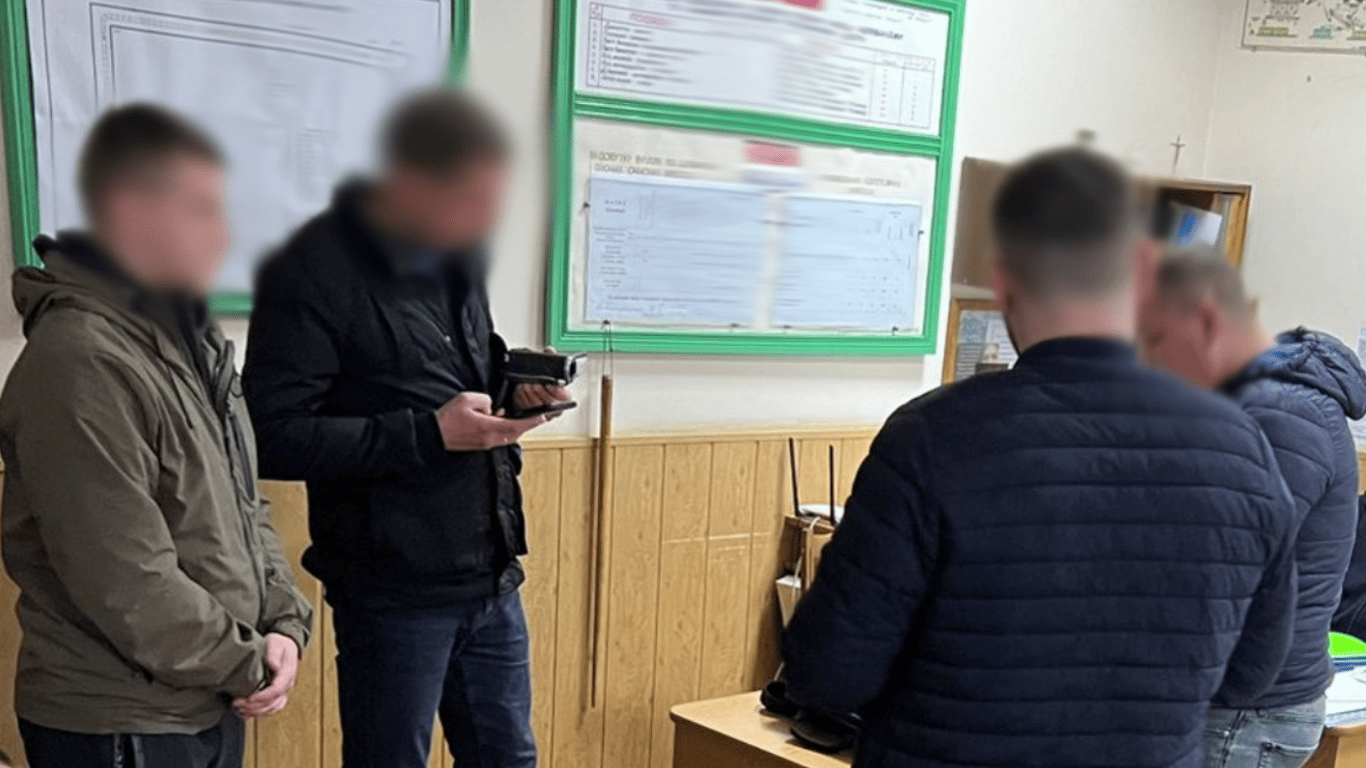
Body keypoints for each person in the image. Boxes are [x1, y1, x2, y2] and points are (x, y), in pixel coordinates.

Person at [782, 147, 1298, 768]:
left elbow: (828, 674)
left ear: (1005, 283)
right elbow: (1251, 675)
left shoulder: (931, 438)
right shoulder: (1243, 448)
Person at [242, 90, 562, 768]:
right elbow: (268, 434)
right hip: (391, 595)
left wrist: (518, 389)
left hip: (490, 579)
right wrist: (425, 434)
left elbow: (463, 375)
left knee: (510, 759)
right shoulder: (312, 270)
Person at [0, 104, 313, 768]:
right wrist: (248, 661)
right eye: (199, 211)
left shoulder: (194, 343)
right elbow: (125, 579)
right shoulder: (79, 359)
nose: (222, 235)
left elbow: (245, 507)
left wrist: (284, 623)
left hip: (208, 696)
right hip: (119, 721)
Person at [1141, 248, 1366, 768]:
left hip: (1249, 707)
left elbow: (1234, 558)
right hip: (1244, 696)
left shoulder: (1283, 412)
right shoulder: (1260, 402)